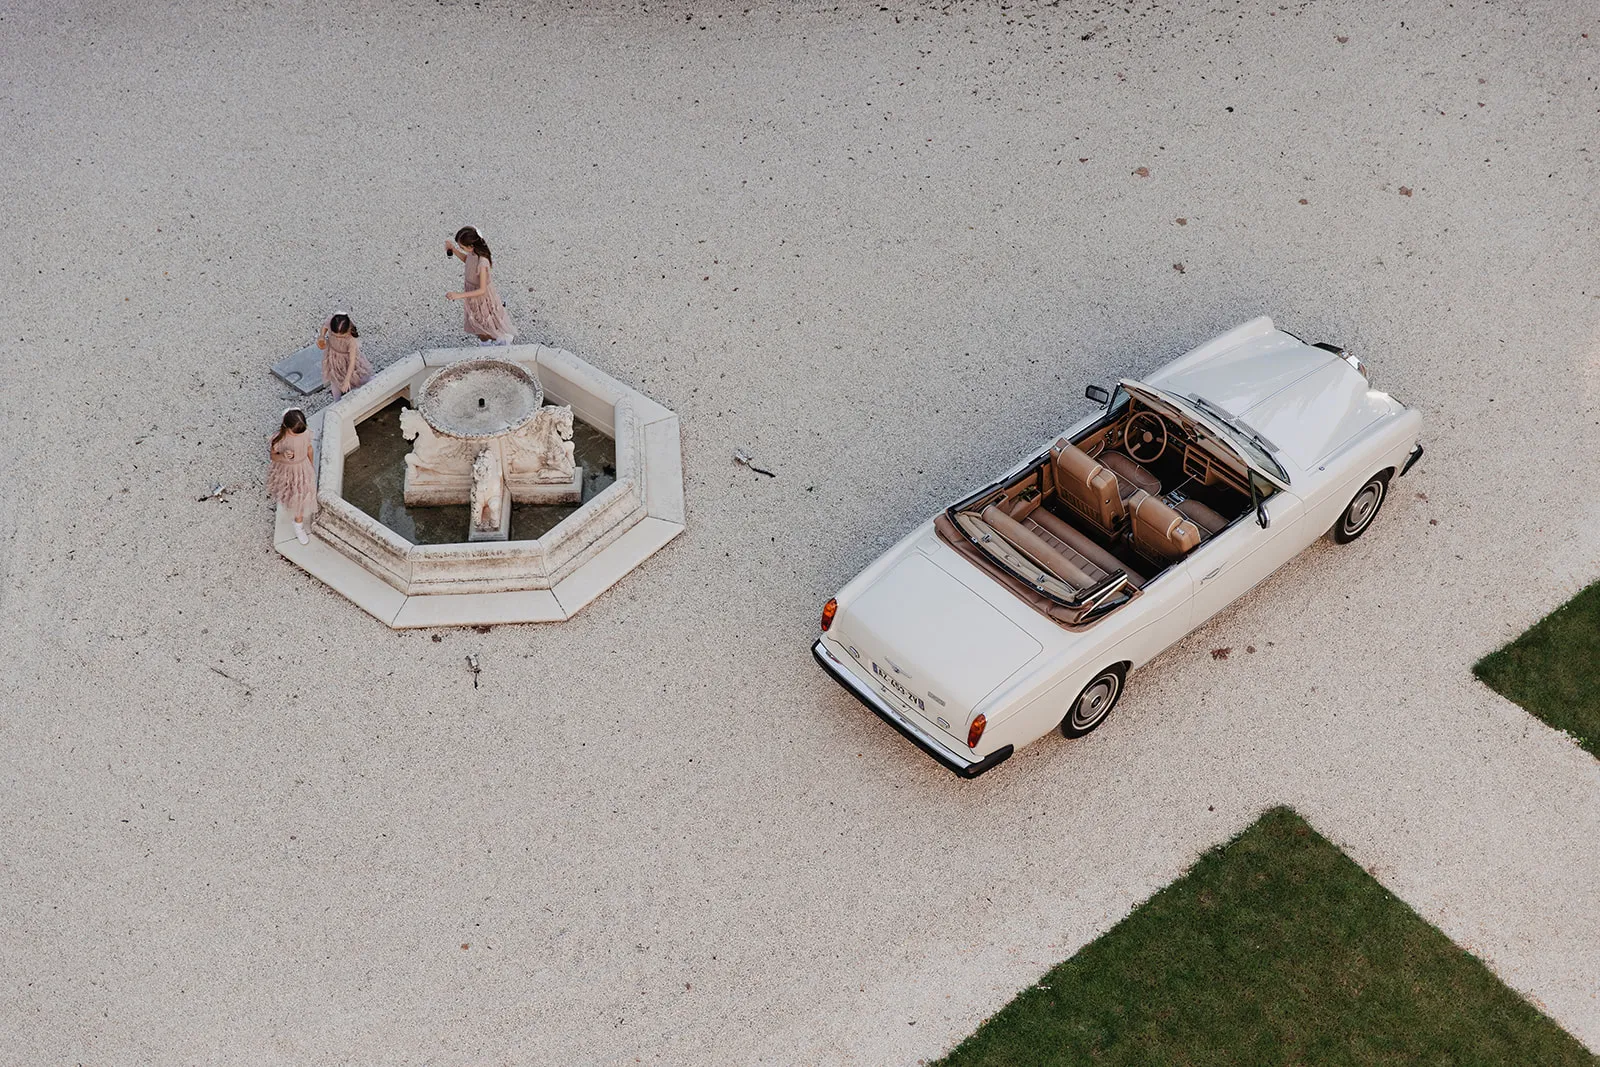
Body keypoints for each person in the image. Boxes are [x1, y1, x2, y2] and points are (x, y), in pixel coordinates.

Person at [445, 225, 515, 345]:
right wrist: (454, 250)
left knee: (485, 323)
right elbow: (468, 260)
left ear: (471, 246)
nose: (461, 249)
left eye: (462, 247)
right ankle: (487, 342)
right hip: (473, 294)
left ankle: (499, 340)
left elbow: (482, 290)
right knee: (478, 322)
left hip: (480, 296)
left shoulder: (483, 262)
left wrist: (458, 295)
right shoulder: (473, 254)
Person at [267, 408, 317, 544]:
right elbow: (273, 456)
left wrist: (311, 466)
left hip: (303, 468)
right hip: (288, 470)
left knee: (300, 498)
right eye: (294, 433)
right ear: (286, 427)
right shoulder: (281, 439)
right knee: (291, 495)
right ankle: (298, 525)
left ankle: (298, 525)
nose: (297, 436)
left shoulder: (304, 433)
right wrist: (282, 455)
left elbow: (309, 448)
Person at [317, 313, 373, 400]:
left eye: (340, 337)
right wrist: (322, 336)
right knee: (334, 378)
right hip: (333, 356)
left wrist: (347, 380)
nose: (338, 338)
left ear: (348, 331)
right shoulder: (332, 322)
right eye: (335, 335)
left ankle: (369, 387)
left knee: (359, 378)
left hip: (347, 360)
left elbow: (352, 361)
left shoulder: (351, 340)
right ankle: (337, 400)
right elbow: (325, 326)